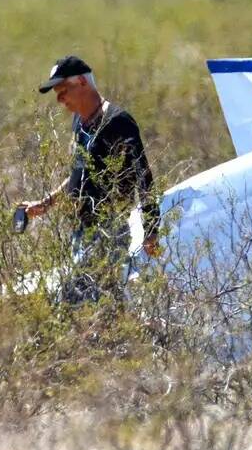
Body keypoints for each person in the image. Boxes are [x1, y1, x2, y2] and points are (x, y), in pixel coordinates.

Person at [18, 55, 160, 302]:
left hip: (108, 229)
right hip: (81, 231)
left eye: (63, 90)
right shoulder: (79, 122)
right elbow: (78, 173)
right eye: (57, 93)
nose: (60, 99)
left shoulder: (118, 122)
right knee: (95, 301)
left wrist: (152, 229)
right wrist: (46, 202)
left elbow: (142, 176)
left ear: (82, 82)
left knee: (80, 301)